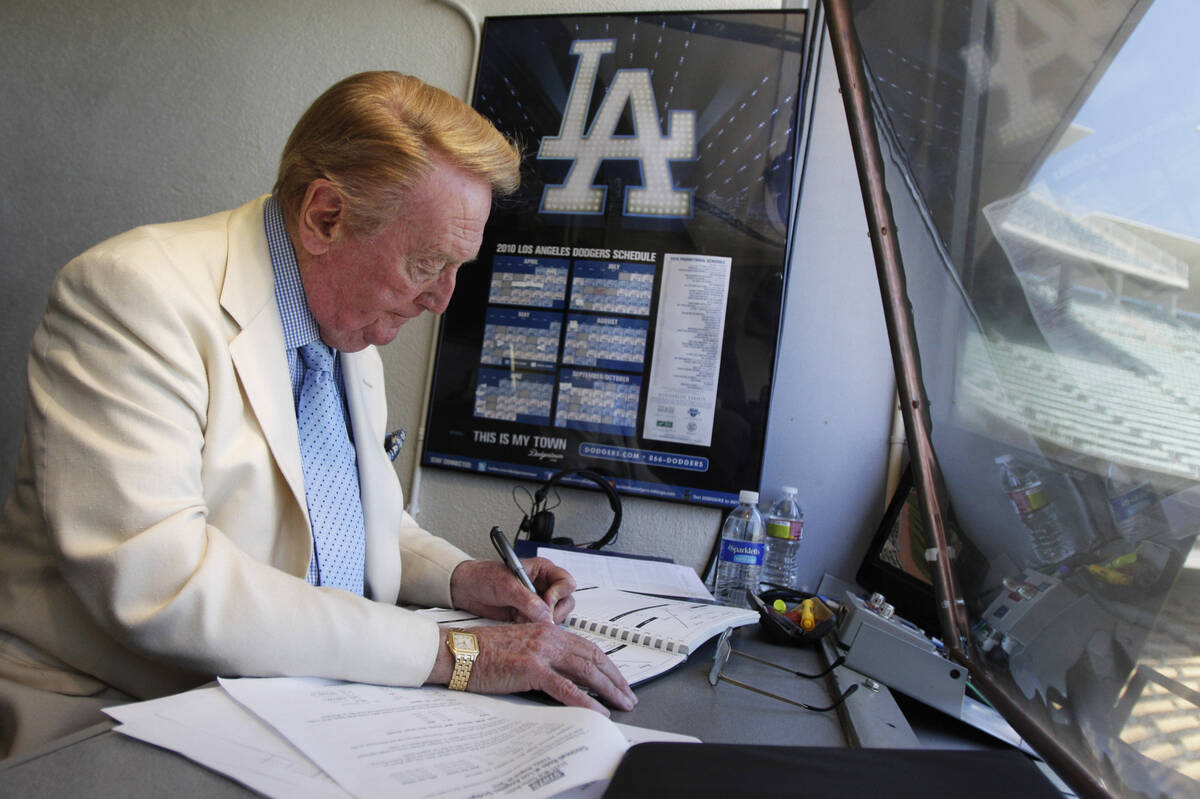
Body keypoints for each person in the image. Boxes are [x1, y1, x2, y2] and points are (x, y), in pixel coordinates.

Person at [0, 71, 635, 758]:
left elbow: (352, 519)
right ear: (325, 216)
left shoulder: (342, 311)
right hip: (112, 717)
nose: (441, 300)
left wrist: (463, 578)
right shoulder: (133, 297)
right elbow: (165, 583)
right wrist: (453, 652)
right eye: (427, 263)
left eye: (457, 267)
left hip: (288, 705)